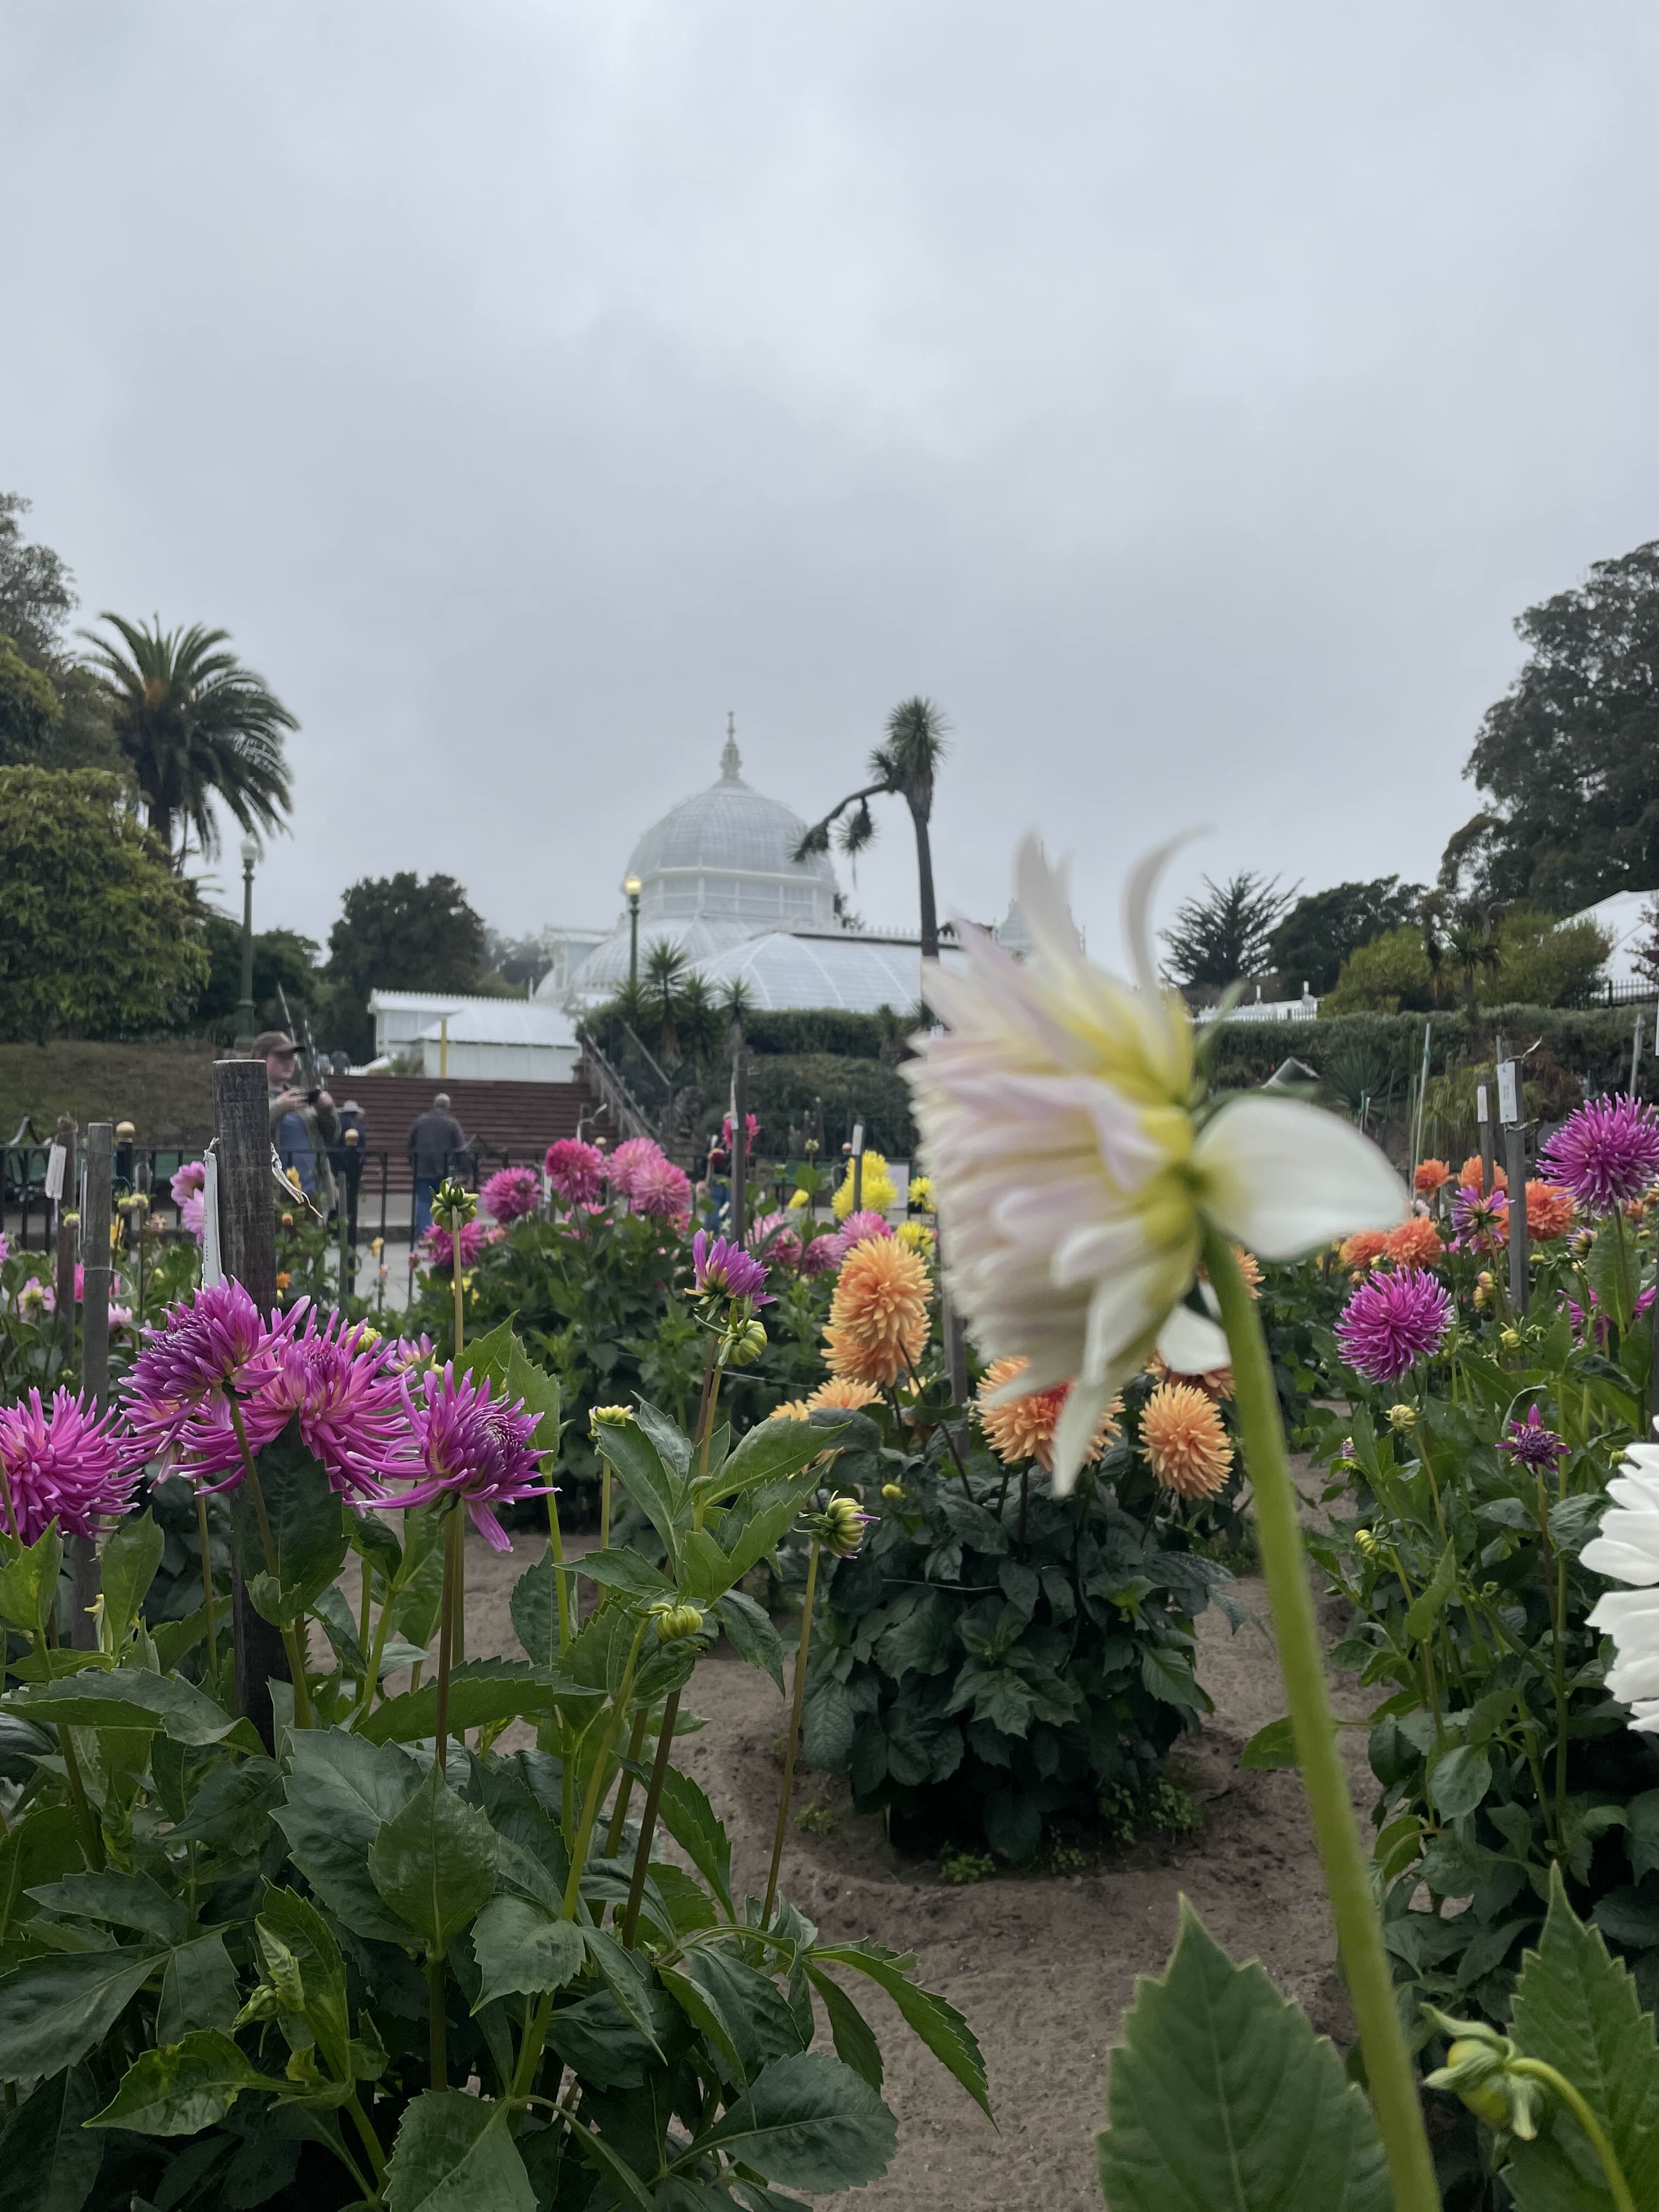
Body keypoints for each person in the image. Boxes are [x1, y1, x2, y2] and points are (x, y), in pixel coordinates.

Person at [255, 1031, 338, 1207]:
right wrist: (279, 1108)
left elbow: (332, 1136)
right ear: (261, 1057)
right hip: (273, 1197)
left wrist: (326, 1109)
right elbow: (248, 1135)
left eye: (291, 1057)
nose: (288, 1062)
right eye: (281, 1056)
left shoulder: (301, 1095)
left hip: (312, 1194)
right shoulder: (248, 1097)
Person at [408, 1091, 466, 1234]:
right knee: (445, 1204)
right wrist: (461, 1169)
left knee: (424, 1202)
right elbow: (461, 1148)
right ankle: (443, 1236)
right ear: (448, 1106)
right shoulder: (452, 1123)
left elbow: (410, 1145)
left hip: (422, 1169)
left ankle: (425, 1236)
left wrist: (413, 1164)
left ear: (434, 1105)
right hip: (445, 1170)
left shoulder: (420, 1121)